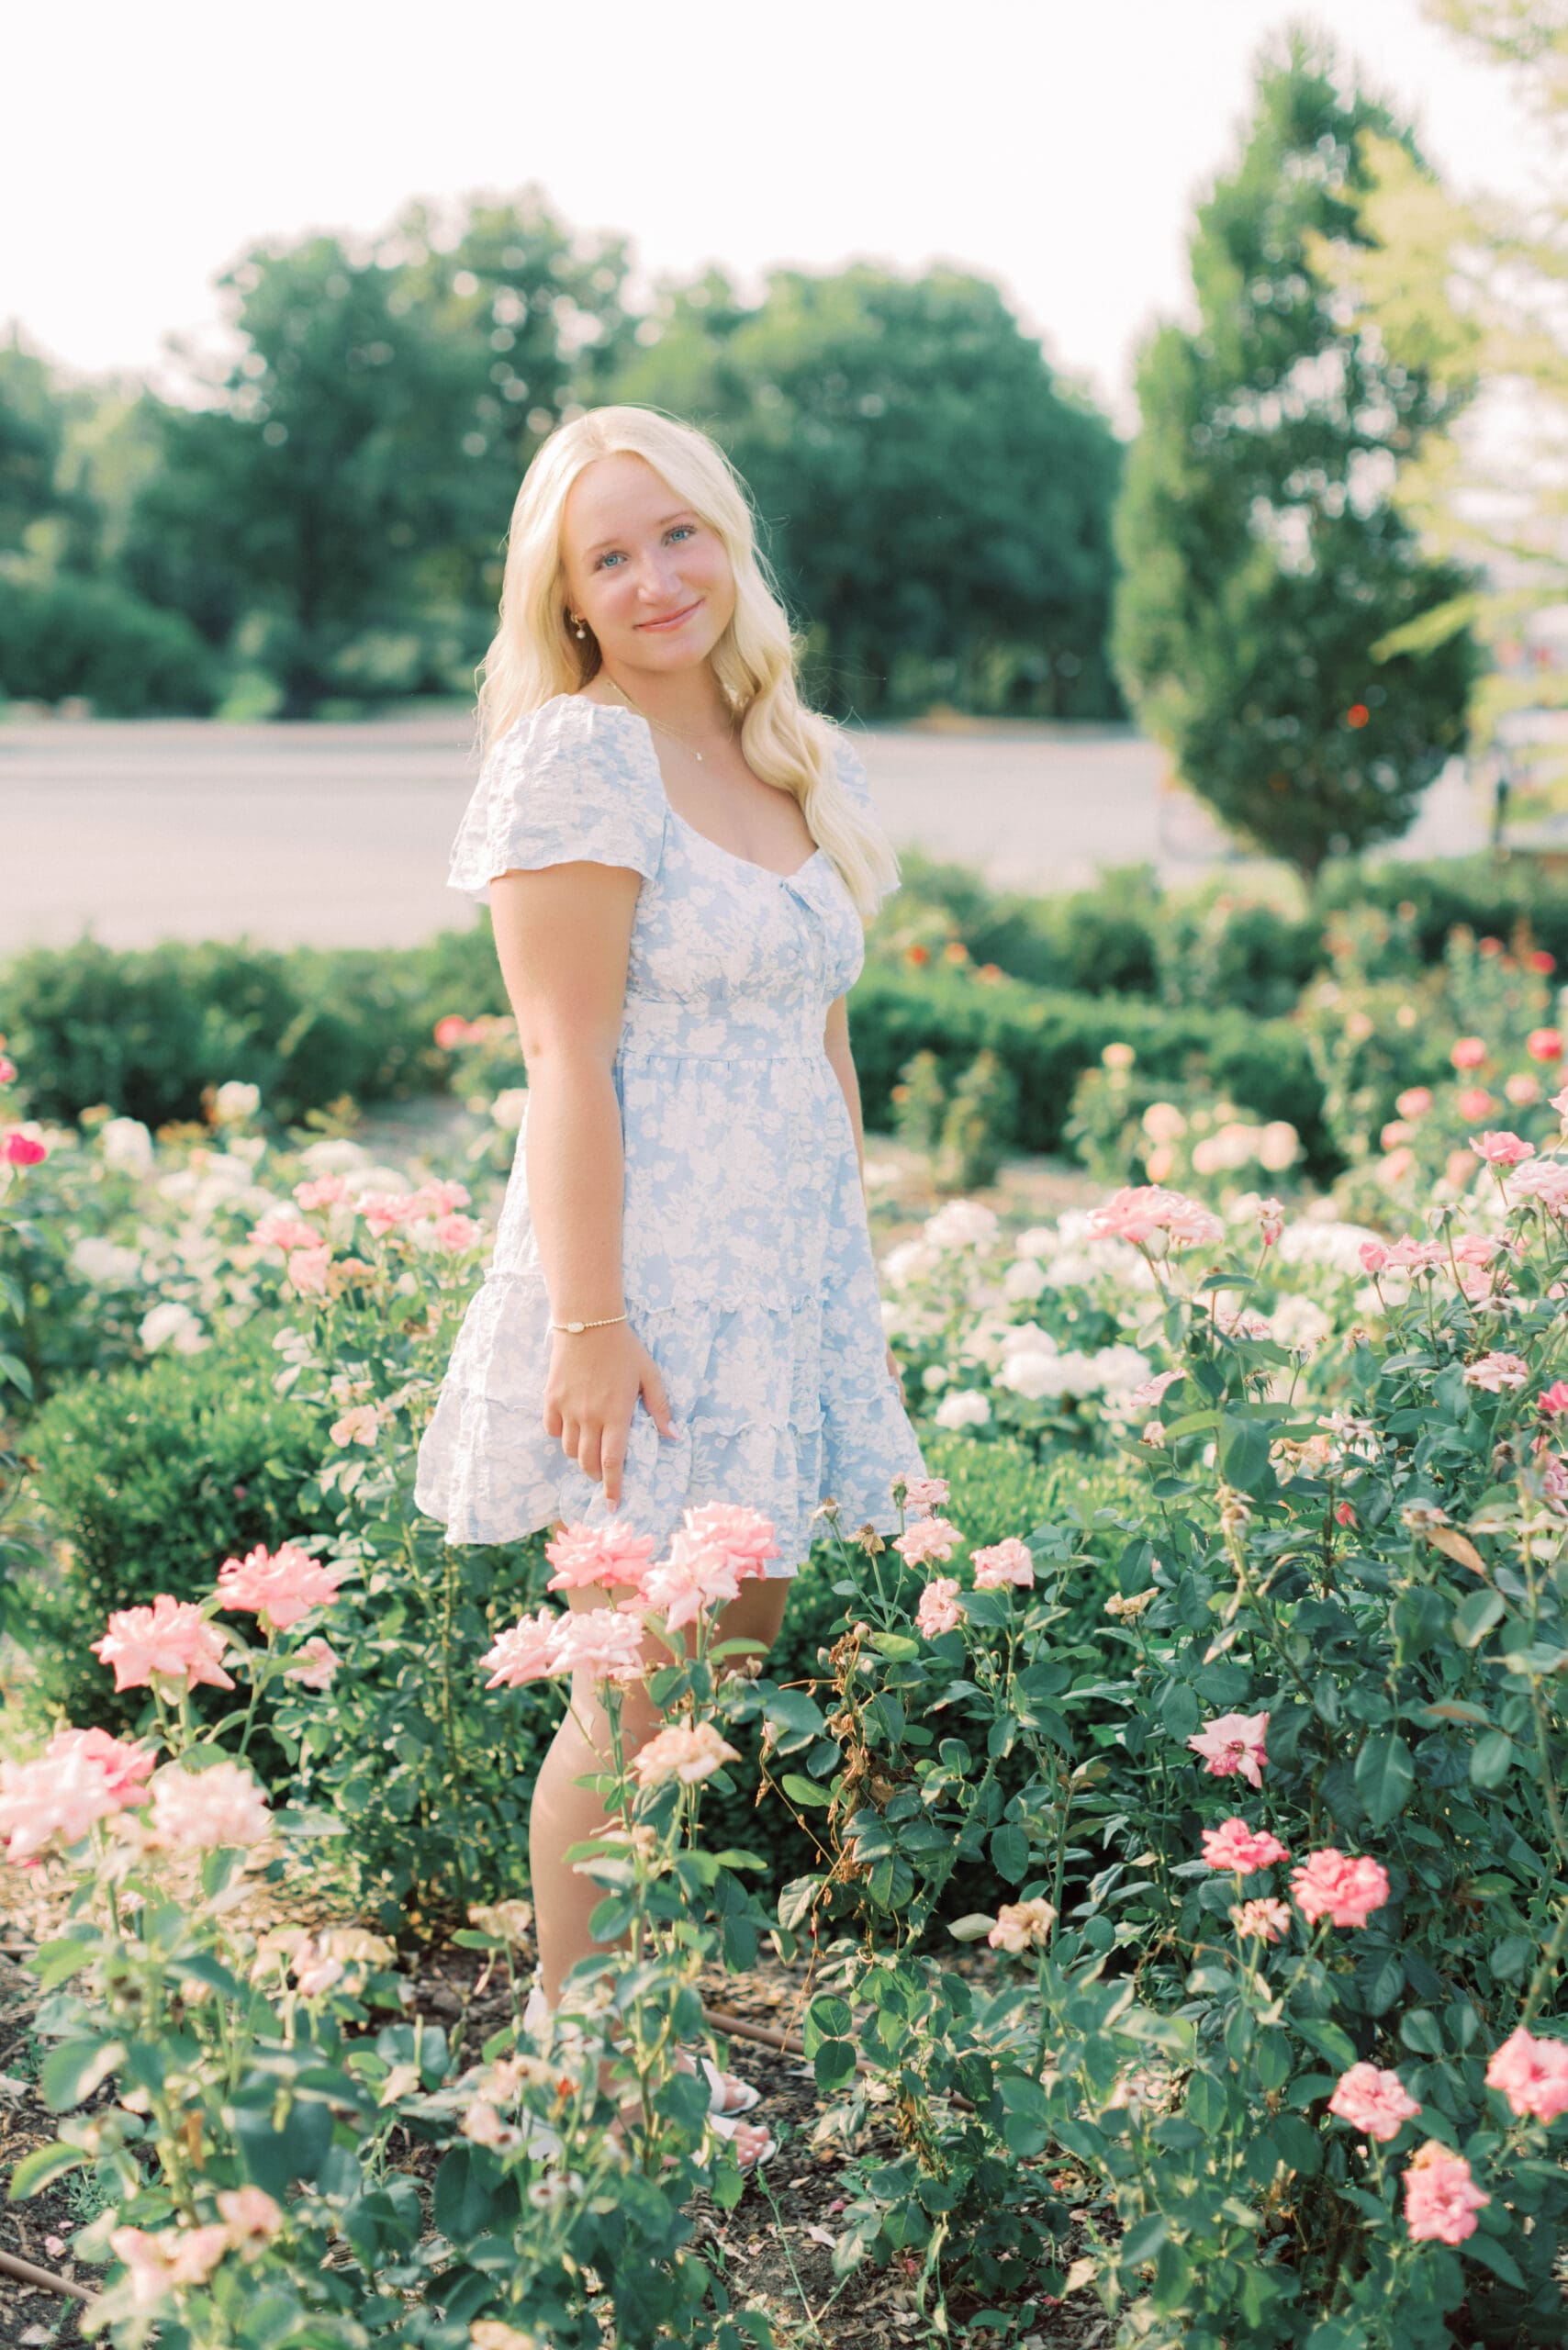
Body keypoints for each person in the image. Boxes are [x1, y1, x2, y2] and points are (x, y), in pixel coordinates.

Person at [413, 403, 931, 2162]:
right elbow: (564, 1059)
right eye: (608, 556)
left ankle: (656, 2028)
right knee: (630, 1681)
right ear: (562, 597)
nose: (654, 579)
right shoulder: (577, 760)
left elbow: (822, 1039)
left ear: (732, 539)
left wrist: (850, 1284)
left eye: (680, 535)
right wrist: (588, 1322)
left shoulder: (800, 756)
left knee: (719, 1691)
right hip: (643, 1288)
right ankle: (587, 2070)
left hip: (786, 1288)